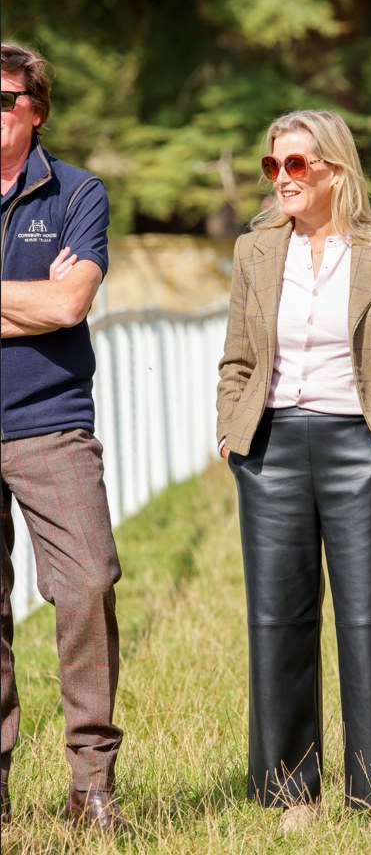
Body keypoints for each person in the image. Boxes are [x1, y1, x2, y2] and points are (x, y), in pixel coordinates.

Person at [216, 109, 371, 834]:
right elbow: (236, 361)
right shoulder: (254, 250)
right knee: (277, 622)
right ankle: (291, 792)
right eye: (271, 165)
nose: (280, 178)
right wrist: (230, 436)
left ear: (333, 170)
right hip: (270, 448)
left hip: (359, 447)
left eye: (294, 165)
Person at [1, 43, 127, 832]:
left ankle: (92, 788)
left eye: (4, 97)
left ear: (36, 109)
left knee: (87, 587)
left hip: (50, 424)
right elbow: (42, 302)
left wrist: (49, 300)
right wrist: (33, 297)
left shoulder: (77, 191)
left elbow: (67, 309)